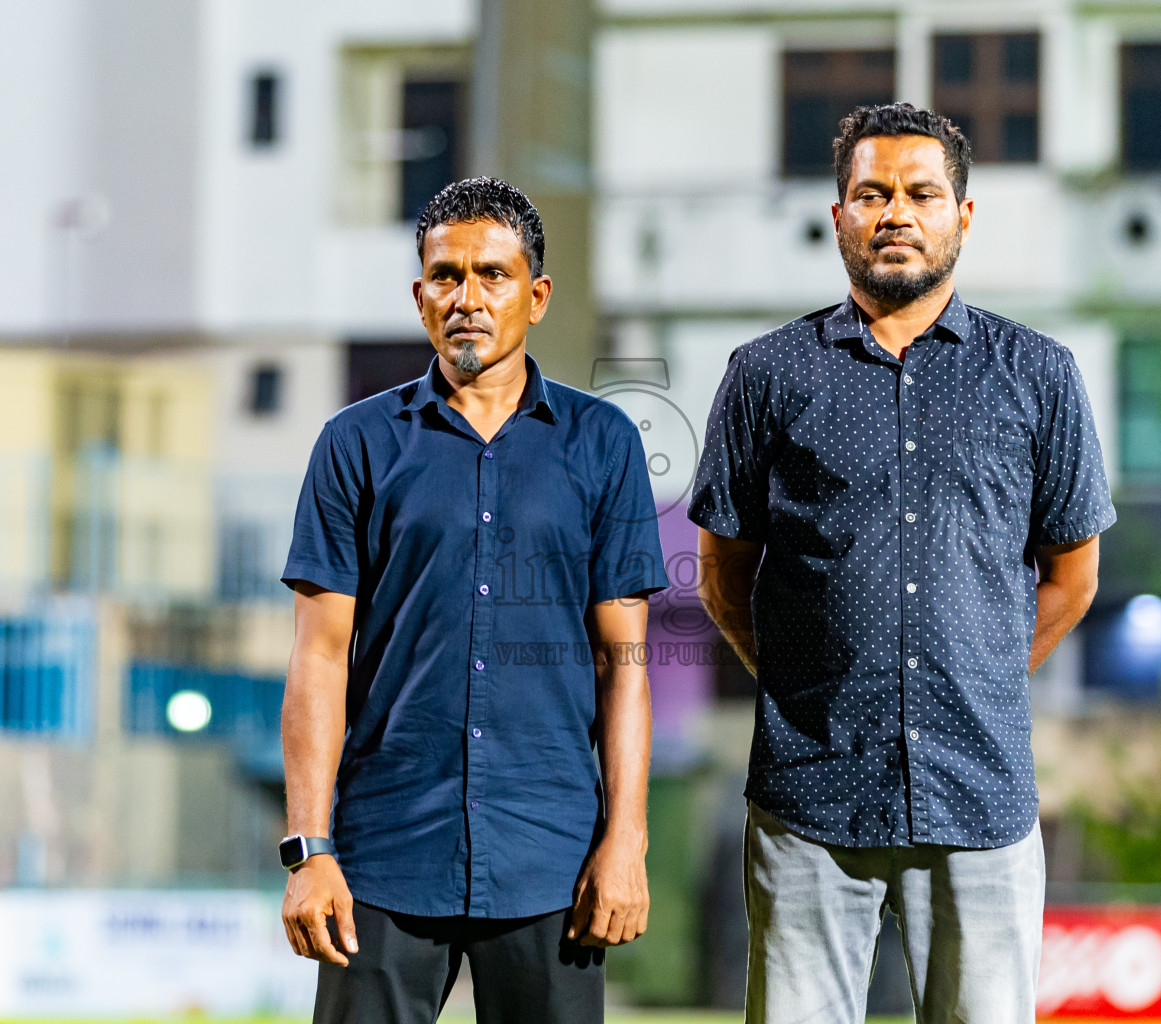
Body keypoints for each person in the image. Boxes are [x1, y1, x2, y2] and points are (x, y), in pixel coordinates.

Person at [690, 103, 1115, 1024]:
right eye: (870, 193)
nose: (895, 212)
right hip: (808, 793)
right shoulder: (766, 375)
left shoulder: (1040, 375)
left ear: (962, 216)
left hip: (982, 792)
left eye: (921, 193)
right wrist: (812, 690)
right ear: (837, 215)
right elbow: (722, 576)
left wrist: (982, 681)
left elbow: (1073, 578)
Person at [278, 177, 668, 1024]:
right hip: (382, 857)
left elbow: (625, 665)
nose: (467, 298)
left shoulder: (602, 445)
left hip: (551, 860)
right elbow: (317, 657)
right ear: (420, 295)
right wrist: (310, 850)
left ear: (536, 295)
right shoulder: (356, 445)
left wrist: (625, 841)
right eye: (446, 276)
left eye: (492, 275)